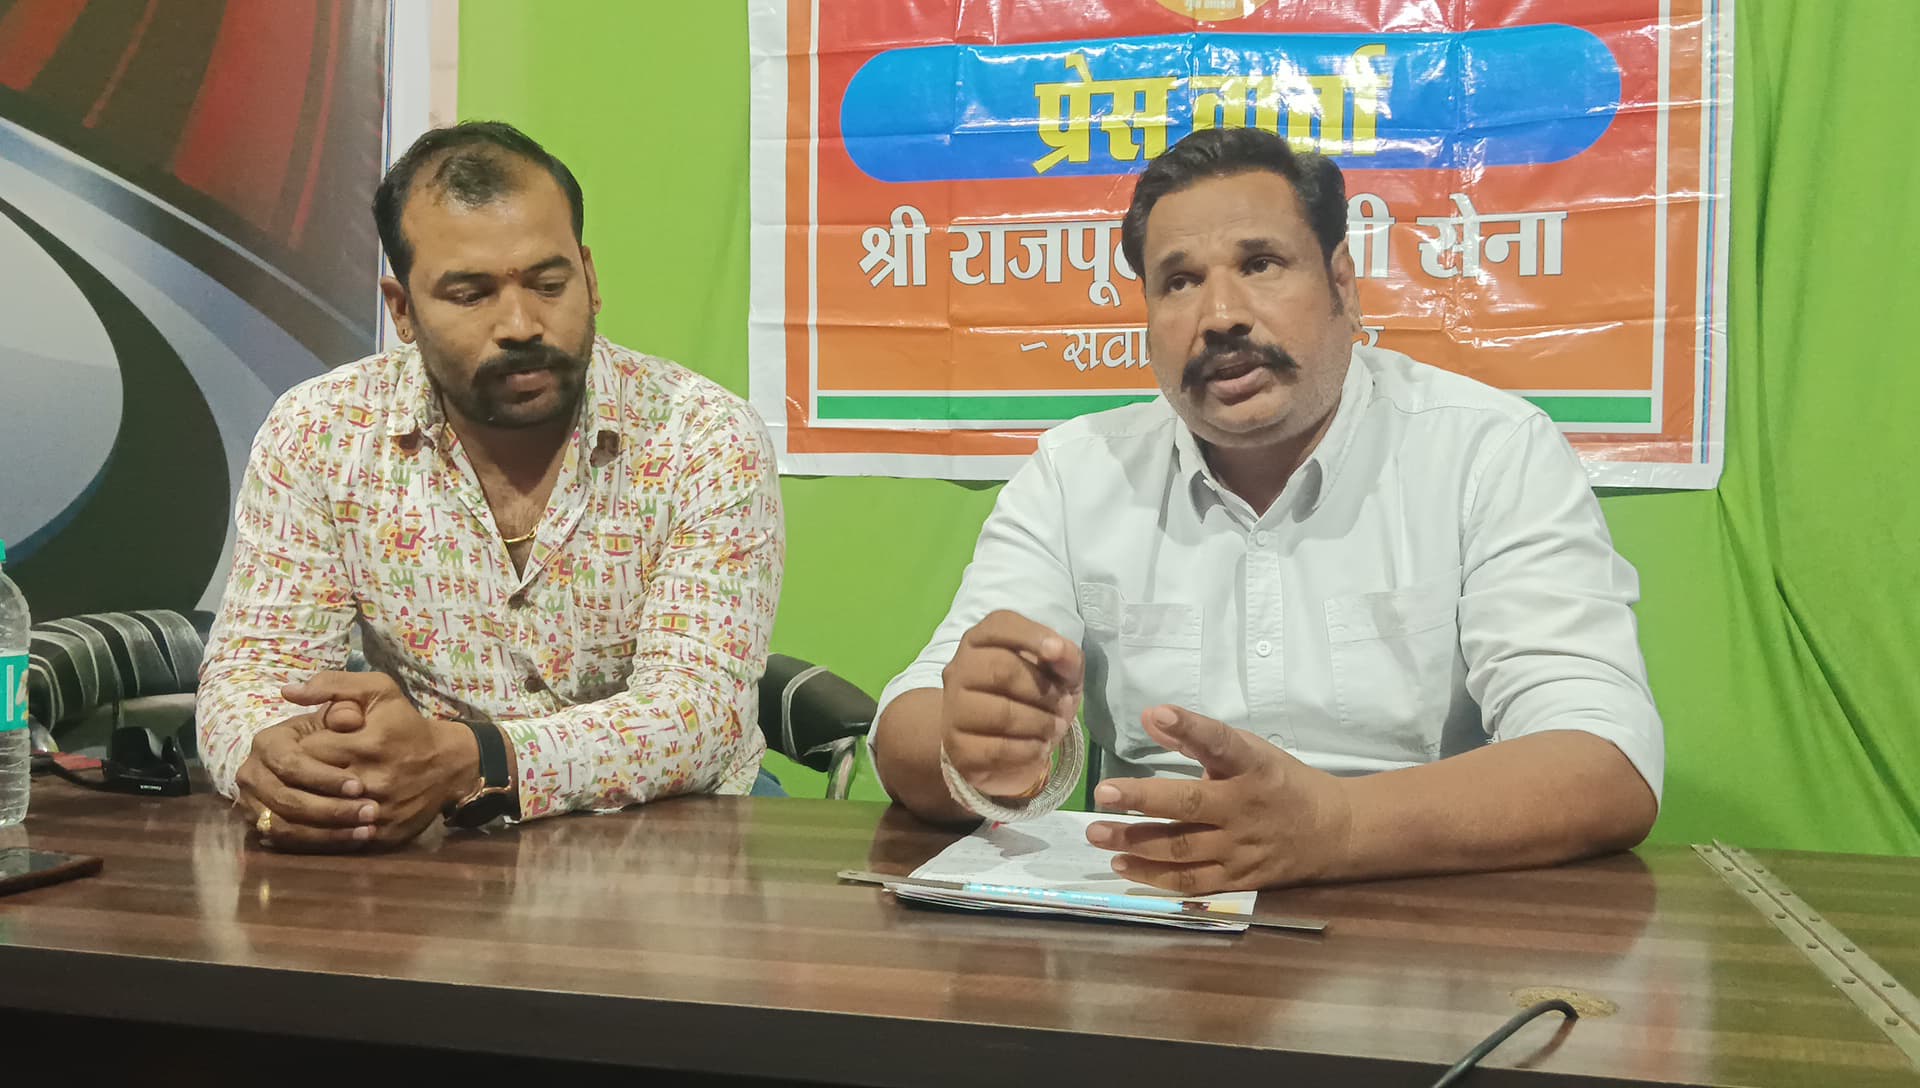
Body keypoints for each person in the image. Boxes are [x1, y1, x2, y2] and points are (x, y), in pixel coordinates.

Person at [870, 127, 1663, 893]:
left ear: (1343, 283)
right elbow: (909, 727)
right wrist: (967, 744)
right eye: (1179, 281)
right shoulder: (1077, 473)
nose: (1221, 315)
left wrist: (1337, 826)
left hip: (1415, 900)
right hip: (1156, 913)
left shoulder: (1489, 451)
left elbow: (1604, 761)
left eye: (1260, 264)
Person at [197, 122, 784, 851]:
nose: (522, 324)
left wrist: (474, 760)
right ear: (402, 309)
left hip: (679, 842)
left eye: (549, 284)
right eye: (471, 294)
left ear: (590, 276)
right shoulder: (322, 431)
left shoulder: (702, 436)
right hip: (430, 845)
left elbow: (699, 715)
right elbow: (254, 675)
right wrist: (292, 765)